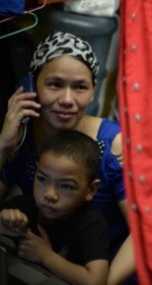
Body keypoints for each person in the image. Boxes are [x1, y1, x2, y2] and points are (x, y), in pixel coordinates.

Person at [0, 31, 135, 284]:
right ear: (31, 85)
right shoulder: (21, 136)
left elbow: (144, 230)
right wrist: (3, 146)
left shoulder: (114, 145)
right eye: (55, 84)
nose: (67, 100)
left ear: (94, 90)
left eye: (80, 87)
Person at [0, 129, 109, 285]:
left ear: (90, 190)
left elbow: (96, 281)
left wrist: (46, 256)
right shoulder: (24, 205)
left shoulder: (92, 224)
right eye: (42, 179)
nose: (50, 194)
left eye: (66, 186)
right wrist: (3, 225)